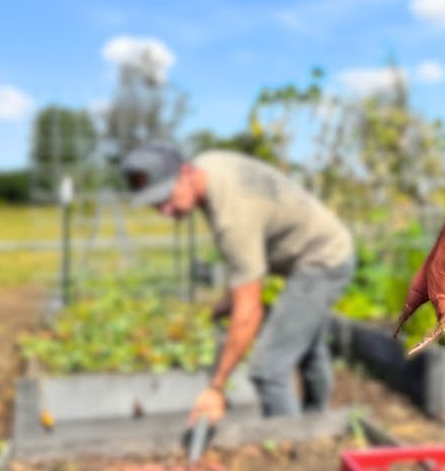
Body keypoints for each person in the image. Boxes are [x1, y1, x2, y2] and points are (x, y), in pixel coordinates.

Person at [120, 143, 354, 424]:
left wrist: (216, 387)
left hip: (323, 259)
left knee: (268, 369)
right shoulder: (208, 166)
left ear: (186, 173)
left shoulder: (231, 215)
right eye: (156, 203)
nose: (165, 210)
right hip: (313, 251)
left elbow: (249, 312)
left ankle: (293, 447)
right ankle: (318, 426)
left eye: (166, 197)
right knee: (303, 346)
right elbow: (245, 259)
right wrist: (229, 298)